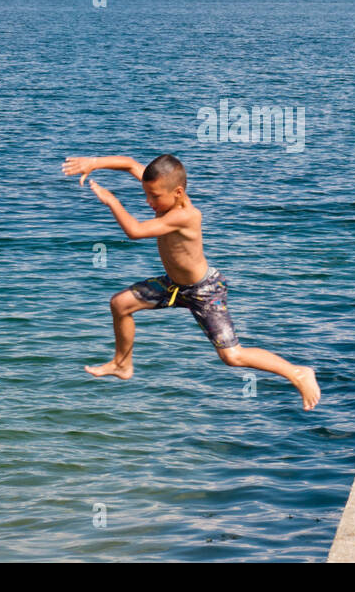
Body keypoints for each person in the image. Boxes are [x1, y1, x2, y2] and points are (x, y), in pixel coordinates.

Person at [62, 153, 321, 411]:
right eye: (147, 194)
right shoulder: (167, 194)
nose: (149, 201)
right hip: (174, 285)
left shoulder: (185, 215)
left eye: (154, 197)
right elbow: (130, 164)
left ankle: (297, 373)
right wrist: (94, 163)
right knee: (120, 304)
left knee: (232, 356)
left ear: (177, 192)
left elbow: (135, 231)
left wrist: (112, 200)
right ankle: (122, 364)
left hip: (204, 291)